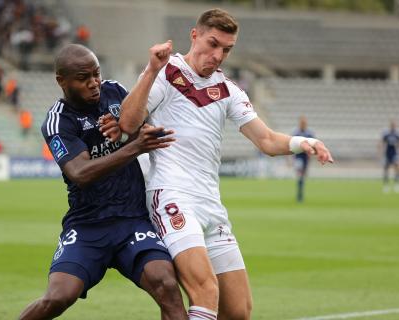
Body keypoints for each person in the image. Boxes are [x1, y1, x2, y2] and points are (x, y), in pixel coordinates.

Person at [119, 9, 334, 320]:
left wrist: (304, 142)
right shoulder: (165, 73)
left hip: (211, 205)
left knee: (238, 311)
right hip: (172, 197)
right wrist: (151, 71)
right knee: (205, 291)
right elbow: (127, 122)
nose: (218, 55)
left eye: (227, 49)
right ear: (194, 36)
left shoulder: (229, 91)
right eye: (213, 44)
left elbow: (267, 141)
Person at [18, 44, 187, 320]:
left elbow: (140, 128)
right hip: (88, 226)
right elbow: (80, 173)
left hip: (133, 220)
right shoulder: (57, 121)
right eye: (84, 77)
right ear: (62, 81)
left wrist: (132, 134)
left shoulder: (115, 92)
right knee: (58, 297)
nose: (94, 83)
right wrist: (134, 147)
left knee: (167, 285)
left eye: (96, 74)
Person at [292, 116, 315, 202]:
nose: (303, 124)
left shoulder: (309, 133)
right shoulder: (296, 132)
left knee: (303, 175)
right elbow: (290, 144)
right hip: (298, 156)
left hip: (306, 157)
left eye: (304, 122)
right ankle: (300, 195)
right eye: (302, 122)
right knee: (300, 175)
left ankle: (300, 193)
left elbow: (313, 144)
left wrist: (311, 155)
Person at [380, 120, 399, 193]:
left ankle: (397, 184)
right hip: (387, 153)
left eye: (394, 125)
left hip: (394, 153)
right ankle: (386, 185)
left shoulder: (397, 134)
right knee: (386, 169)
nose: (393, 126)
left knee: (397, 168)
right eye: (392, 125)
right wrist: (381, 153)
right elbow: (382, 143)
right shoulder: (386, 134)